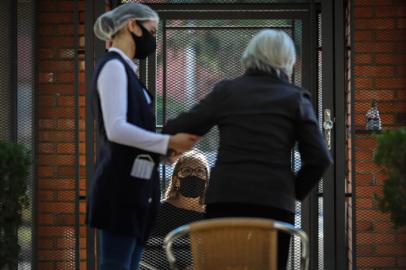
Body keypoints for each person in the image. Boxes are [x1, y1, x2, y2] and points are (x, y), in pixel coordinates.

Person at [163, 29, 333, 269]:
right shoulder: (295, 98)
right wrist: (291, 190)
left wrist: (162, 146)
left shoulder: (227, 91)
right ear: (287, 60)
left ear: (250, 55)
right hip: (274, 202)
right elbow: (319, 159)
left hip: (226, 198)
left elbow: (182, 125)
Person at [85, 3, 199, 270]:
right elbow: (116, 128)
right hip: (120, 190)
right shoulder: (113, 66)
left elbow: (131, 132)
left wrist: (164, 153)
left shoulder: (127, 71)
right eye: (152, 30)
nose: (153, 39)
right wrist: (168, 142)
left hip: (137, 190)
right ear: (132, 25)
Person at [143, 150, 209, 270]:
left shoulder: (211, 215)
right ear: (176, 180)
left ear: (206, 180)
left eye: (200, 171)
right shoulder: (159, 212)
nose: (194, 175)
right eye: (187, 170)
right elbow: (148, 255)